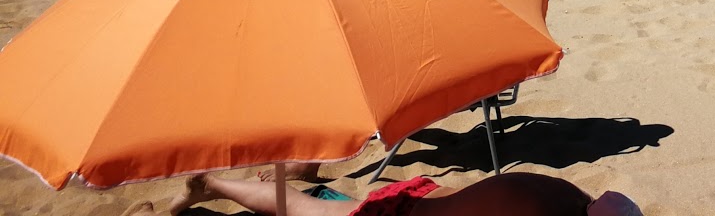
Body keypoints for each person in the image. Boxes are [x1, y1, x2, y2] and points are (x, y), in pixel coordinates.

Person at [153, 168, 642, 216]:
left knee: (330, 203)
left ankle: (294, 181)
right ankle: (210, 183)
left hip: (422, 195)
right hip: (398, 214)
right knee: (303, 209)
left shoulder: (563, 191)